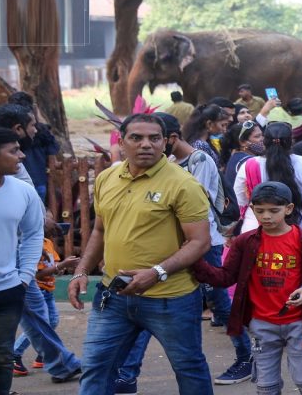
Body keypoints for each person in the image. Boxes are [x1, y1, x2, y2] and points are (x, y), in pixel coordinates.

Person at [68, 113, 214, 395]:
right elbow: (100, 231)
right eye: (136, 138)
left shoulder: (183, 184)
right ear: (122, 142)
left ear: (164, 142)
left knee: (188, 367)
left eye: (154, 138)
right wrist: (82, 271)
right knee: (96, 368)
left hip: (171, 299)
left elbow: (200, 242)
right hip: (113, 296)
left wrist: (156, 273)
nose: (146, 144)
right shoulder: (107, 178)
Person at [193, 181, 302, 395]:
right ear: (252, 210)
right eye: (260, 211)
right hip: (261, 325)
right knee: (266, 388)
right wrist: (195, 260)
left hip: (300, 324)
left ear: (289, 209)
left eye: (273, 210)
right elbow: (225, 276)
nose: (266, 216)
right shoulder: (245, 242)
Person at [0, 105, 84, 384]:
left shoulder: (12, 163)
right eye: (32, 125)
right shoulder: (0, 166)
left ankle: (59, 362)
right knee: (31, 313)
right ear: (18, 129)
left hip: (18, 254)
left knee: (34, 313)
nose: (35, 130)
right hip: (8, 254)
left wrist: (41, 216)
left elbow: (29, 202)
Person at [0, 127, 44, 395]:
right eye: (14, 150)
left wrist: (24, 277)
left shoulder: (22, 192)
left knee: (1, 360)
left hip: (6, 292)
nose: (22, 155)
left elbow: (33, 233)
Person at [13, 212, 79, 376]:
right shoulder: (28, 244)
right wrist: (60, 265)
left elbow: (52, 263)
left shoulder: (47, 243)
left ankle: (47, 357)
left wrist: (60, 267)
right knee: (41, 322)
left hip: (48, 290)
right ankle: (15, 354)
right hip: (39, 287)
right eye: (47, 220)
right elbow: (35, 272)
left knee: (50, 321)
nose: (52, 224)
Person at [234, 122, 302, 235]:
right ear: (291, 142)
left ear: (264, 142)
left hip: (256, 231)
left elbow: (240, 201)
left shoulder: (249, 165)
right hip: (299, 230)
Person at [7, 92, 59, 202]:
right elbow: (53, 154)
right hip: (39, 181)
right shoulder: (41, 131)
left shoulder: (9, 133)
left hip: (15, 183)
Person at [183, 103, 230, 169]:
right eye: (222, 125)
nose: (225, 129)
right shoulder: (200, 145)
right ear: (209, 124)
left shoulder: (201, 142)